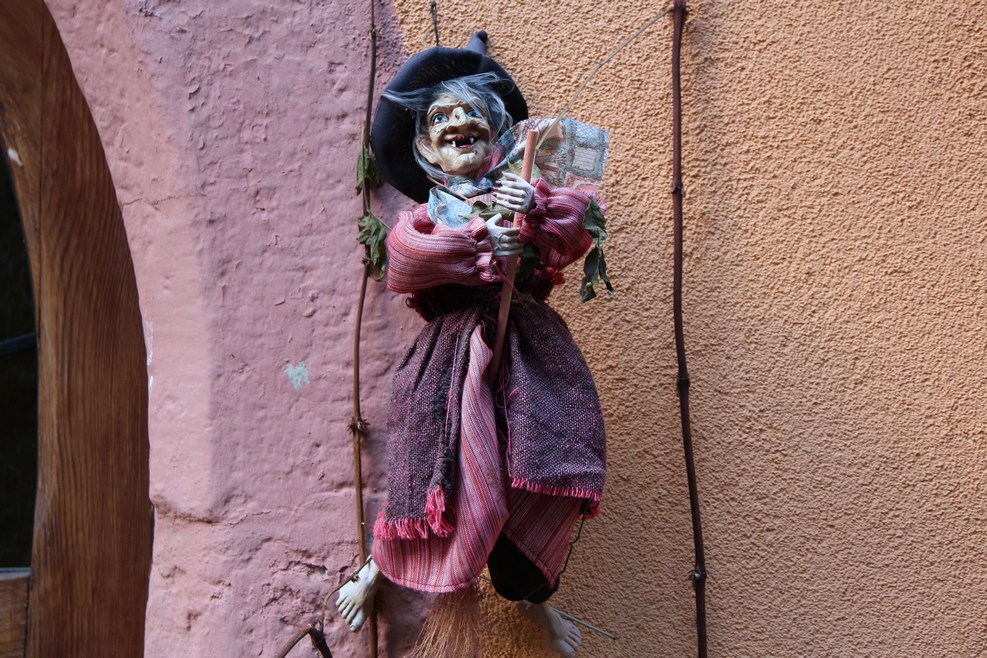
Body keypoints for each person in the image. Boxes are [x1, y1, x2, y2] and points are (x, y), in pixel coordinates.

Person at [336, 32, 608, 657]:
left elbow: (574, 235)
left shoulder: (525, 193)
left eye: (472, 115)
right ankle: (379, 565)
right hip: (450, 358)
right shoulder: (426, 216)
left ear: (496, 134)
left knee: (538, 457)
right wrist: (482, 242)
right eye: (441, 119)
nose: (458, 124)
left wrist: (532, 214)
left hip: (529, 355)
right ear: (426, 146)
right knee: (434, 463)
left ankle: (532, 594)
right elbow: (406, 261)